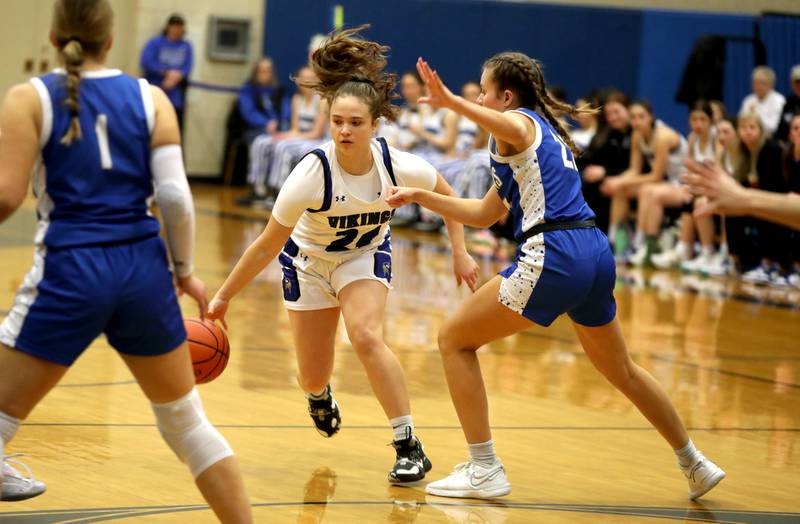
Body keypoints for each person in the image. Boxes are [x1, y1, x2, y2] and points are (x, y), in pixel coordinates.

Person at [386, 53, 725, 500]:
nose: (481, 97)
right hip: (593, 251)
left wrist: (450, 101)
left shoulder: (521, 123)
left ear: (505, 97)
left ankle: (484, 468)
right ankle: (694, 463)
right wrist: (420, 196)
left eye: (485, 91)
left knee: (453, 340)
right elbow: (486, 214)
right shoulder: (534, 137)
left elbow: (505, 127)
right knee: (621, 369)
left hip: (556, 254)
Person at [0, 1, 252, 520]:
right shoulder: (150, 96)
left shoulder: (28, 98)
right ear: (110, 40)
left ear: (52, 35)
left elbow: (6, 197)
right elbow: (176, 199)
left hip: (71, 270)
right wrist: (183, 272)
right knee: (187, 427)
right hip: (143, 272)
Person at [206, 26, 479, 484]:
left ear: (375, 126)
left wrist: (460, 252)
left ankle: (408, 443)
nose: (345, 130)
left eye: (355, 123)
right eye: (337, 122)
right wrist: (223, 296)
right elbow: (266, 245)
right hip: (308, 264)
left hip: (364, 256)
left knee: (367, 336)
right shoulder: (310, 174)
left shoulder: (399, 164)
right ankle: (318, 395)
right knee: (312, 375)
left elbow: (448, 197)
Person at [600, 100, 689, 265]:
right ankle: (614, 244)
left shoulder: (662, 136)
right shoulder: (637, 135)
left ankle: (643, 245)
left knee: (647, 190)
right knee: (620, 191)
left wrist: (622, 182)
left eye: (641, 117)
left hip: (684, 184)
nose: (636, 121)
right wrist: (617, 181)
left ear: (651, 117)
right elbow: (634, 169)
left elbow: (655, 176)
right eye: (633, 117)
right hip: (666, 183)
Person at [140, 13, 193, 130]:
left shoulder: (186, 46)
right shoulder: (155, 43)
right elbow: (146, 62)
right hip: (155, 93)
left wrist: (176, 77)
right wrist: (166, 73)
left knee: (172, 128)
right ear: (168, 27)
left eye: (180, 27)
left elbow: (188, 66)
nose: (177, 30)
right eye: (175, 26)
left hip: (175, 98)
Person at [739, 66, 785, 138]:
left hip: (770, 138)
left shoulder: (779, 100)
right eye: (755, 83)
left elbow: (774, 127)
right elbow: (740, 122)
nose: (758, 86)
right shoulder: (748, 100)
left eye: (762, 83)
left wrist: (756, 115)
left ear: (772, 84)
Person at [775, 65, 800, 143]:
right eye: (796, 82)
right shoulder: (788, 103)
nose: (799, 85)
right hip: (790, 146)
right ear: (791, 83)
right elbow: (780, 130)